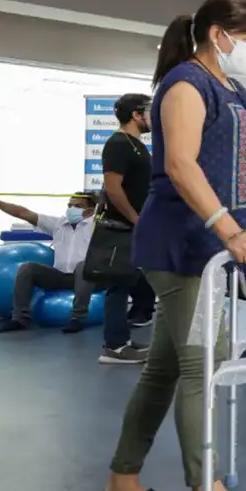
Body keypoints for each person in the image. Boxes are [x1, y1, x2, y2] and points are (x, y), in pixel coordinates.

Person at [95, 0, 246, 491]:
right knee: (205, 365)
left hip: (211, 247)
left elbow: (233, 167)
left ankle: (122, 484)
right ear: (218, 35)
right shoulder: (184, 84)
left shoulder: (234, 88)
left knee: (164, 371)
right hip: (182, 248)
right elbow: (179, 165)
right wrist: (229, 228)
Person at [0, 190, 98, 334]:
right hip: (61, 276)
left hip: (88, 278)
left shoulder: (97, 226)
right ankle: (20, 319)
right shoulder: (59, 224)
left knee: (83, 265)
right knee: (28, 268)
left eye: (77, 206)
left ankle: (77, 318)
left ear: (90, 211)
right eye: (69, 205)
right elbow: (22, 213)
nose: (71, 209)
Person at [98, 93, 155, 365]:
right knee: (118, 287)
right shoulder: (119, 144)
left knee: (129, 282)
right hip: (122, 227)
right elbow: (112, 187)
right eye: (149, 110)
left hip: (135, 226)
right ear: (136, 114)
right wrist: (136, 218)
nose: (153, 116)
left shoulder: (137, 145)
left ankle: (122, 339)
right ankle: (114, 347)